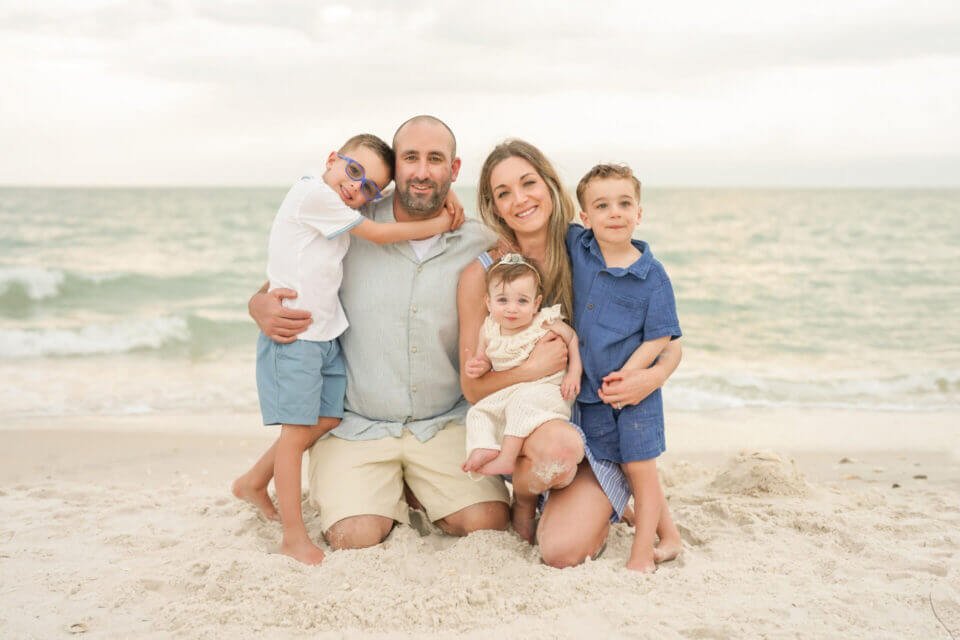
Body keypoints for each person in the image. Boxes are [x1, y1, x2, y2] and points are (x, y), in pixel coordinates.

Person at [247, 116, 511, 552]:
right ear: (395, 169)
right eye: (411, 158)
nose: (422, 171)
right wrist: (257, 305)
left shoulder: (479, 239)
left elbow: (531, 270)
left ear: (454, 168)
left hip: (442, 422)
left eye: (435, 159)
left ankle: (412, 487)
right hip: (357, 424)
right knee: (353, 538)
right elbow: (290, 273)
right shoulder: (350, 219)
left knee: (487, 523)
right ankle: (384, 488)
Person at [459, 139, 682, 567]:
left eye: (529, 183)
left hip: (601, 421)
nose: (520, 199)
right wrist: (533, 368)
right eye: (504, 192)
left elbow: (668, 339)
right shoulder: (486, 275)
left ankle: (605, 500)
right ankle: (528, 497)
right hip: (538, 429)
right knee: (557, 452)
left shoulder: (587, 245)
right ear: (494, 206)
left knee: (560, 553)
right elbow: (473, 388)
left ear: (549, 184)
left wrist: (652, 377)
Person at [570, 162, 682, 572]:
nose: (614, 212)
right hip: (591, 393)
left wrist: (635, 374)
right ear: (585, 218)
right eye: (601, 205)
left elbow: (661, 336)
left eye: (624, 203)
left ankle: (641, 555)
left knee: (641, 468)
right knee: (622, 465)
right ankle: (670, 535)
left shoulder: (652, 276)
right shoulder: (580, 249)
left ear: (640, 212)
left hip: (636, 393)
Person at [461, 254, 582, 476]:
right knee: (477, 412)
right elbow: (483, 360)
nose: (512, 309)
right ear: (488, 302)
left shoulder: (543, 322)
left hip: (548, 391)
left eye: (522, 301)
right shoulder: (488, 329)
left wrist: (574, 373)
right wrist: (476, 366)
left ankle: (507, 459)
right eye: (502, 300)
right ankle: (484, 447)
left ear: (536, 303)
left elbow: (572, 338)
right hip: (511, 391)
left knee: (521, 402)